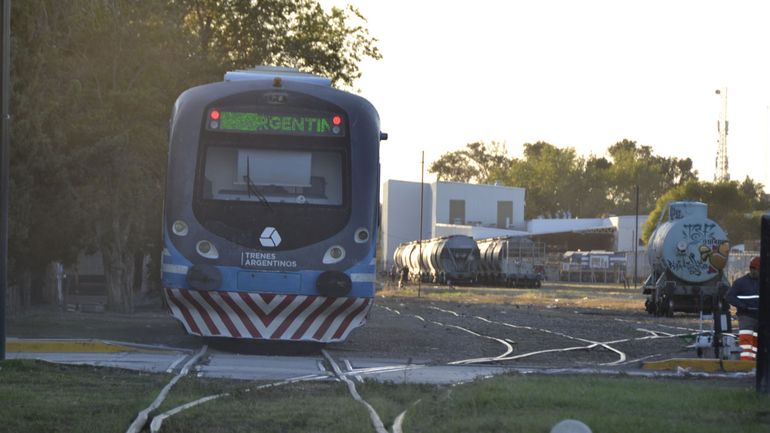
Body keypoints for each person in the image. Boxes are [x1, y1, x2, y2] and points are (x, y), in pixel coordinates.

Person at [725, 256, 760, 361]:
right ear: (752, 269)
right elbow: (729, 297)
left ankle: (754, 362)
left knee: (756, 341)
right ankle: (745, 362)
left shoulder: (764, 281)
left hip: (760, 316)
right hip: (746, 316)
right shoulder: (740, 283)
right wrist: (742, 305)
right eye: (758, 270)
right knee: (746, 341)